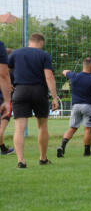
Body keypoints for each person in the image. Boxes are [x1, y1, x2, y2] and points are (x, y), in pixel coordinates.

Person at [10, 33, 59, 168]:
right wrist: (54, 97)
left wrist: (9, 85)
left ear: (30, 41)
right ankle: (43, 158)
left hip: (20, 91)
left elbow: (4, 71)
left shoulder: (15, 54)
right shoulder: (44, 55)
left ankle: (21, 161)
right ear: (41, 43)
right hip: (39, 91)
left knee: (19, 128)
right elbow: (49, 77)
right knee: (42, 126)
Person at [57, 57, 91, 157]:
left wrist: (69, 72)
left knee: (72, 128)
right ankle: (87, 152)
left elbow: (64, 71)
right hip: (88, 106)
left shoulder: (74, 76)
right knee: (87, 130)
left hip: (76, 106)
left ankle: (62, 146)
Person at [0, 42, 13, 155]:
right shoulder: (8, 72)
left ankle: (3, 149)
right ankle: (3, 149)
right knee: (2, 126)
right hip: (4, 100)